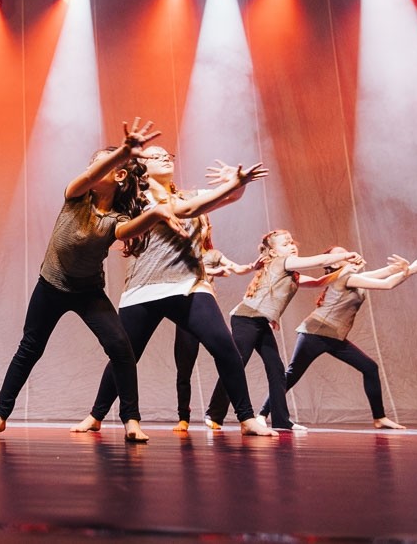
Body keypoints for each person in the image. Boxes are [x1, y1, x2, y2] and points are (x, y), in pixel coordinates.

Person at [71, 146, 276, 437]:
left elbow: (227, 197)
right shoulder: (136, 201)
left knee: (225, 348)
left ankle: (246, 418)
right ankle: (96, 415)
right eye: (155, 156)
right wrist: (233, 184)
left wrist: (236, 183)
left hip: (189, 285)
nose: (165, 158)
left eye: (167, 155)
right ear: (141, 168)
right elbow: (190, 211)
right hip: (144, 288)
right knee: (124, 356)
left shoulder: (189, 195)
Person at [0, 119, 161, 441]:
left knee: (121, 348)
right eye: (94, 164)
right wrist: (122, 152)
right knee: (29, 349)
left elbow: (126, 231)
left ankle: (131, 420)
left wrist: (157, 214)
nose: (92, 168)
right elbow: (89, 177)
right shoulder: (76, 196)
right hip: (51, 285)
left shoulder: (116, 218)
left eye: (102, 164)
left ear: (119, 176)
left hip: (88, 292)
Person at [261, 247, 417, 429]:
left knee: (369, 368)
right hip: (315, 333)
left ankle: (379, 418)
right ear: (334, 264)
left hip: (334, 337)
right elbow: (387, 284)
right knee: (292, 375)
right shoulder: (346, 278)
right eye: (340, 253)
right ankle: (262, 414)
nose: (346, 254)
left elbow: (384, 273)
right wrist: (410, 271)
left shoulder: (354, 278)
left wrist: (402, 268)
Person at [203, 231, 361, 431]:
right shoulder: (283, 262)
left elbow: (318, 282)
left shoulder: (292, 273)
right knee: (236, 363)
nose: (292, 246)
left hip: (260, 322)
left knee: (276, 370)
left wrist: (344, 270)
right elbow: (320, 260)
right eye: (285, 244)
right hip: (246, 318)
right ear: (273, 252)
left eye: (292, 243)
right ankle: (214, 413)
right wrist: (346, 256)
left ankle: (281, 419)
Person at [170, 231, 255, 432]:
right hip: (186, 314)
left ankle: (233, 414)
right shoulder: (182, 252)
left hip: (207, 315)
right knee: (184, 370)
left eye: (204, 224)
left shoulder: (213, 254)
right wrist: (214, 272)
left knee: (229, 359)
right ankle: (183, 417)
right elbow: (184, 269)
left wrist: (251, 267)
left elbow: (236, 267)